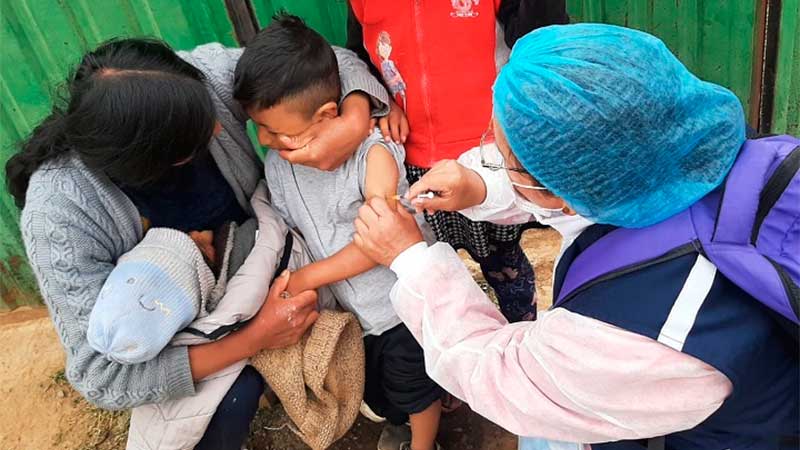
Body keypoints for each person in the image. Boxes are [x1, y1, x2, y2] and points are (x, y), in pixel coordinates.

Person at [352, 24, 800, 449]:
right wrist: (481, 185)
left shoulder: (637, 329)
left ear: (564, 191)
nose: (491, 155)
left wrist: (412, 260)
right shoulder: (697, 147)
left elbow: (506, 378)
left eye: (504, 156)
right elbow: (590, 170)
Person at [6, 37, 389, 450]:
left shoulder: (194, 83)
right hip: (185, 321)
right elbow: (101, 375)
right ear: (147, 161)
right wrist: (256, 336)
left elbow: (329, 60)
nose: (219, 127)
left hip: (264, 250)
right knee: (223, 406)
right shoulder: (60, 212)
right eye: (196, 136)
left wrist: (354, 118)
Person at [233, 15, 443, 450]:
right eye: (258, 127)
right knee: (381, 388)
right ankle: (403, 419)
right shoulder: (279, 165)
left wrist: (308, 277)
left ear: (328, 115)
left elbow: (381, 240)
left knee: (415, 387)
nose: (265, 140)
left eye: (276, 130)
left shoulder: (373, 154)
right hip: (357, 315)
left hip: (400, 306)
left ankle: (425, 442)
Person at [345, 0, 570, 324]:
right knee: (433, 259)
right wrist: (379, 101)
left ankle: (522, 327)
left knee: (503, 260)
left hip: (486, 158)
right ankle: (460, 332)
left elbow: (538, 38)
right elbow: (359, 57)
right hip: (413, 158)